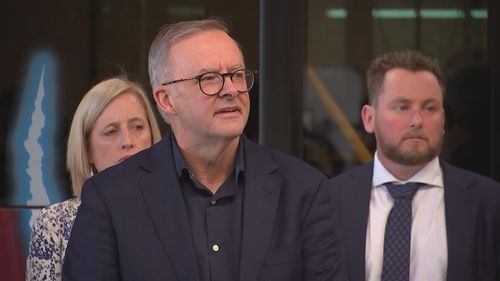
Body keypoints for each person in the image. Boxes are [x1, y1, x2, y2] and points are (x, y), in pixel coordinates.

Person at [62, 18, 347, 281]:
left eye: (237, 75)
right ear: (166, 100)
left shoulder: (303, 190)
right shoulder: (111, 197)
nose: (231, 90)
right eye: (208, 78)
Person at [329, 49, 500, 281]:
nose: (417, 120)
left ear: (443, 120)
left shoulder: (488, 202)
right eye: (402, 107)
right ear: (369, 119)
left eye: (429, 108)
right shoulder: (328, 200)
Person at [26, 77, 162, 280]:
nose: (127, 141)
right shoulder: (55, 223)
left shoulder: (178, 208)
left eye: (137, 127)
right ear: (87, 150)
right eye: (111, 131)